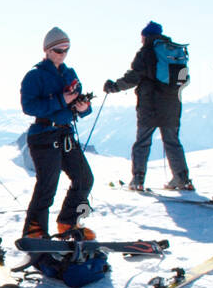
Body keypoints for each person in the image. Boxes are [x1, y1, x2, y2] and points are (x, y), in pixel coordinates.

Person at [21, 27, 95, 239]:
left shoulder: (69, 73)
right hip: (43, 134)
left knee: (84, 178)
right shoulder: (34, 75)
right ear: (47, 50)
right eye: (59, 50)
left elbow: (81, 104)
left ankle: (68, 223)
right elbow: (29, 106)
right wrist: (63, 100)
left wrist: (83, 108)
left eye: (66, 49)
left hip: (64, 134)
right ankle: (34, 232)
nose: (63, 54)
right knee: (47, 185)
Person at [104, 21, 192, 191]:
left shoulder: (146, 52)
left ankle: (138, 180)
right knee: (172, 142)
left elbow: (133, 77)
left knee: (142, 142)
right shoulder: (174, 51)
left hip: (149, 104)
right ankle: (183, 179)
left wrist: (114, 86)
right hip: (172, 104)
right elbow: (184, 80)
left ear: (146, 36)